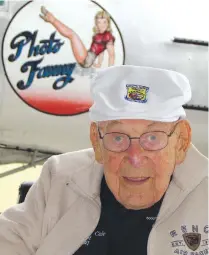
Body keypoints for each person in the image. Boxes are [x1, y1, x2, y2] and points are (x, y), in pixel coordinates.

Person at [0, 65, 208, 255]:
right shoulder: (61, 178)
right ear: (96, 141)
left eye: (153, 138)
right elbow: (10, 239)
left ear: (181, 142)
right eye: (118, 137)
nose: (135, 157)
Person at [39, 6, 115, 68]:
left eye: (104, 22)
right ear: (96, 24)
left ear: (108, 23)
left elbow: (112, 55)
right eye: (99, 22)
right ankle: (51, 18)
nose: (102, 25)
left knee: (72, 35)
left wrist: (109, 73)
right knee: (71, 35)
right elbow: (101, 51)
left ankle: (51, 19)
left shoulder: (108, 36)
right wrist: (99, 64)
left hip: (87, 59)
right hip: (87, 57)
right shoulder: (98, 35)